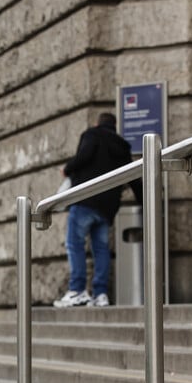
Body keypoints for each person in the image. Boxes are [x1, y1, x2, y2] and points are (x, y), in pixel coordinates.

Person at [54, 112, 136, 308]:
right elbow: (132, 175)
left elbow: (84, 156)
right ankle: (100, 294)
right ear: (114, 126)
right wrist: (144, 200)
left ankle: (77, 290)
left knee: (74, 244)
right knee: (101, 249)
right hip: (107, 207)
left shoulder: (92, 135)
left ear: (98, 124)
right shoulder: (123, 147)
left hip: (85, 199)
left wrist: (67, 169)